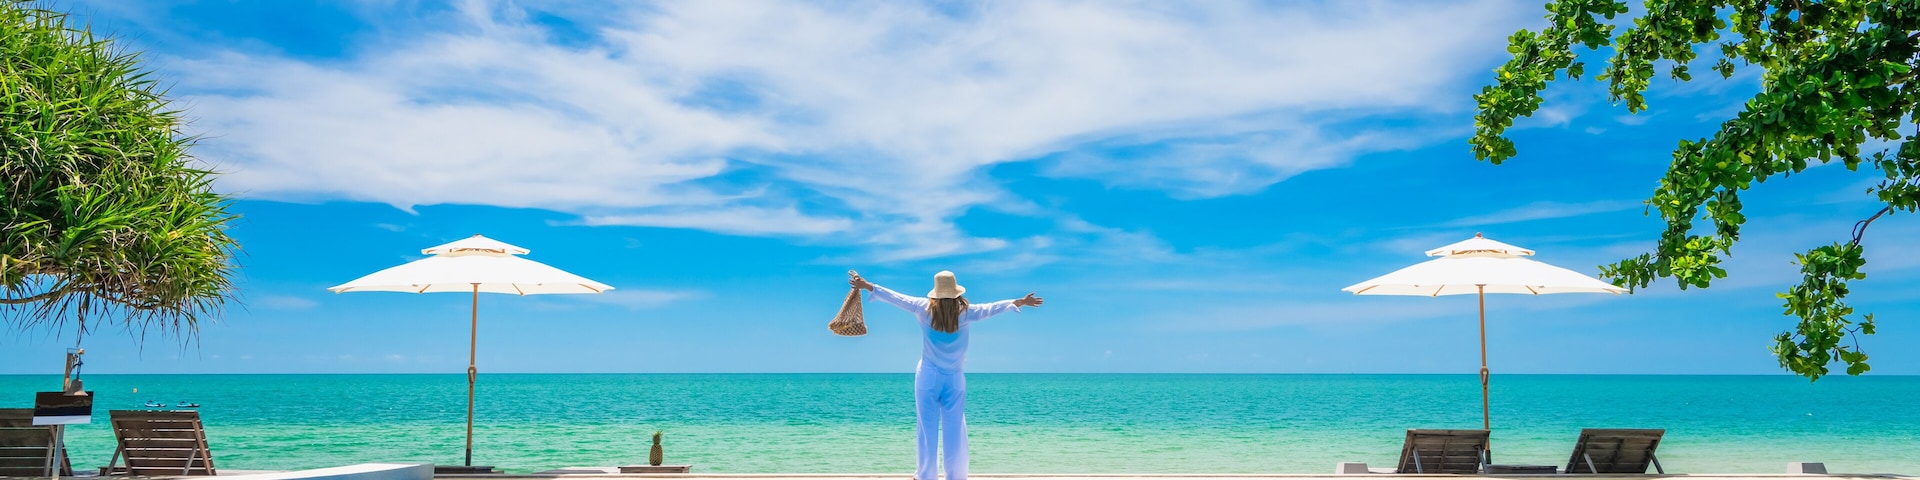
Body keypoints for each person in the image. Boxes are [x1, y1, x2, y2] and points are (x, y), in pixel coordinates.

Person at [848, 270, 1043, 480]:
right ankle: (956, 476)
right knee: (955, 430)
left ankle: (926, 475)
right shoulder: (966, 312)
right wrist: (1018, 302)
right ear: (956, 292)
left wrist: (869, 286)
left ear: (936, 292)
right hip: (955, 378)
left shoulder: (923, 308)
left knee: (926, 429)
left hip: (928, 376)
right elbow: (991, 308)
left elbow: (897, 298)